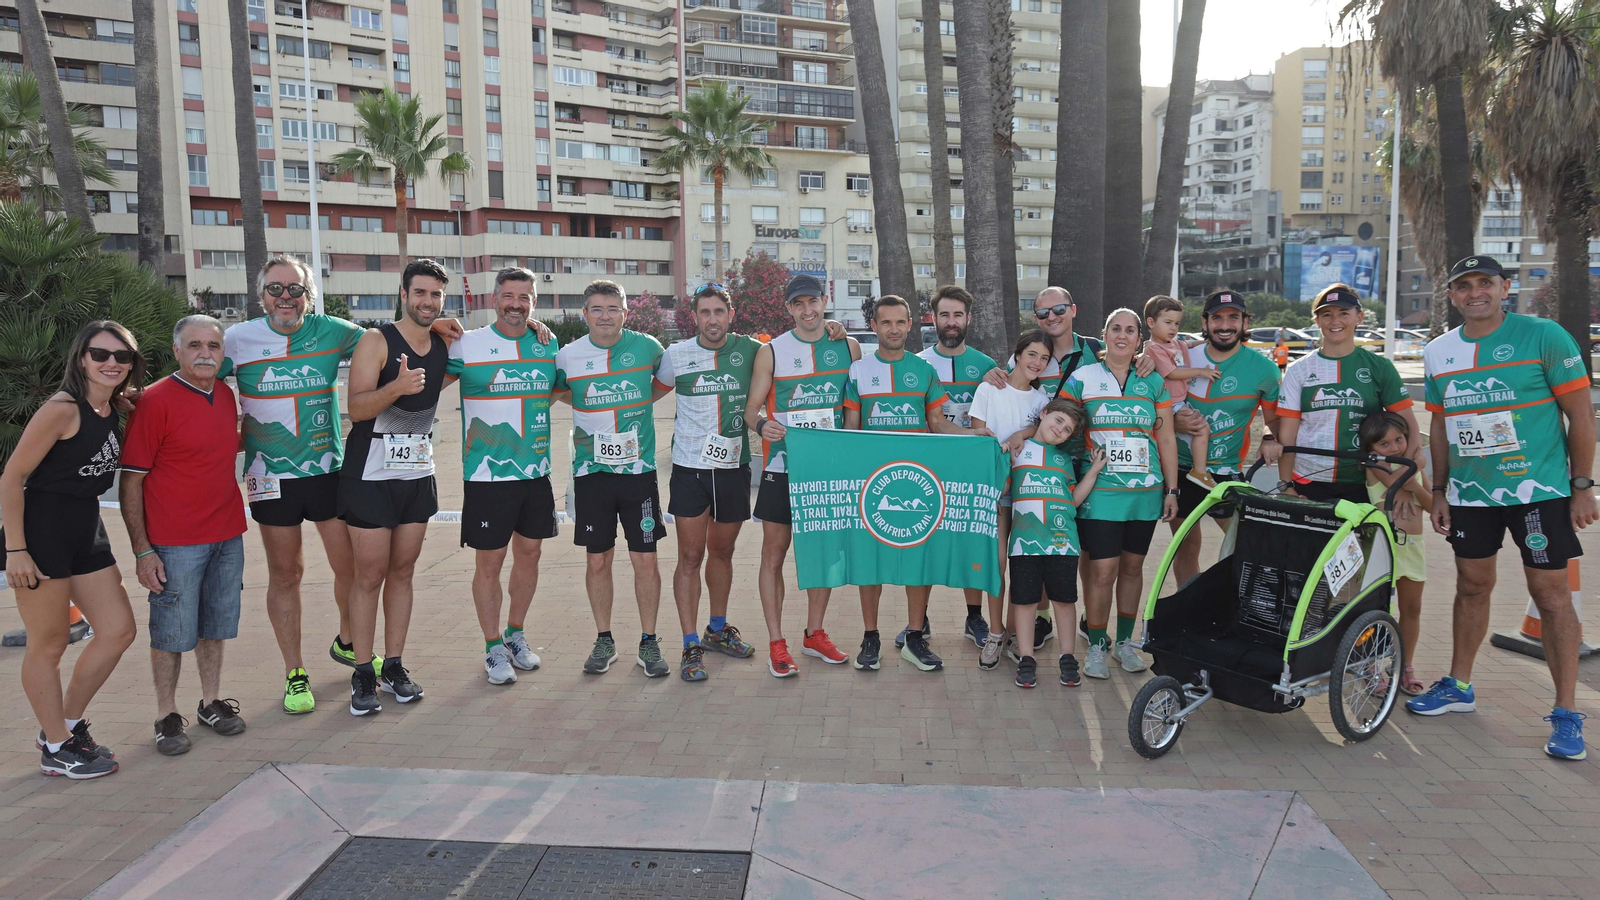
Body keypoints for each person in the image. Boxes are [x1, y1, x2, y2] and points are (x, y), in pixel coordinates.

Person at [222, 254, 476, 713]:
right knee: (286, 574)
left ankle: (349, 644)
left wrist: (436, 325)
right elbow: (198, 375)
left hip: (329, 467)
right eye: (275, 289)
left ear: (308, 295)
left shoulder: (336, 331)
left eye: (295, 289)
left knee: (357, 571)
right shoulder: (236, 339)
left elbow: (397, 338)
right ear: (260, 295)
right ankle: (295, 672)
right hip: (271, 473)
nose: (285, 297)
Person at [1412, 255, 1593, 761]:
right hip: (1472, 495)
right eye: (1463, 286)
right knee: (1472, 585)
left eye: (1485, 283)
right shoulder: (1439, 351)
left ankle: (1565, 711)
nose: (1475, 293)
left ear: (1504, 287)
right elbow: (1443, 426)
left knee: (1551, 593)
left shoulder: (1545, 336)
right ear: (1452, 296)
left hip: (1538, 491)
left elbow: (1580, 413)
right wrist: (1441, 489)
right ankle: (1460, 685)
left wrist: (1582, 486)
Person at [2, 323, 141, 779]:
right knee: (49, 643)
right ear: (81, 358)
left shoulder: (110, 406)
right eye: (100, 354)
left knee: (119, 629)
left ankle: (63, 725)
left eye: (121, 356)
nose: (111, 363)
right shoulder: (61, 409)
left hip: (86, 528)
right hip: (41, 533)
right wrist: (16, 549)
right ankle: (56, 749)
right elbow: (11, 477)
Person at [120, 315, 248, 754]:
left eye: (213, 345)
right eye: (195, 345)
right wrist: (142, 551)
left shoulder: (227, 396)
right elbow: (131, 480)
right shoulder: (154, 402)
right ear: (177, 351)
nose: (205, 353)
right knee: (170, 632)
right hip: (174, 543)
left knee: (214, 626)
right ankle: (165, 714)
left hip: (228, 533)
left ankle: (211, 702)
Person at [340, 259, 452, 715]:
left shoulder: (444, 340)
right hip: (369, 474)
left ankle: (395, 666)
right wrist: (397, 387)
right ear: (403, 294)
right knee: (369, 575)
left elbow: (499, 340)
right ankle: (363, 672)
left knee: (403, 573)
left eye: (435, 295)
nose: (427, 302)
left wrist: (537, 326)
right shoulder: (376, 340)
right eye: (420, 293)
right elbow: (357, 409)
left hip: (416, 474)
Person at [841, 295, 975, 673]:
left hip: (918, 482)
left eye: (901, 322)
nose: (894, 329)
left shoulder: (923, 370)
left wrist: (978, 436)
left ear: (911, 325)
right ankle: (870, 638)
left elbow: (940, 425)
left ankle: (915, 638)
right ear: (874, 326)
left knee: (918, 561)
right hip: (872, 485)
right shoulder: (859, 372)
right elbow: (850, 433)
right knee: (869, 562)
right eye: (886, 323)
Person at [554, 280, 672, 679]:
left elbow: (663, 383)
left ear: (626, 312)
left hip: (639, 473)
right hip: (592, 474)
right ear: (584, 314)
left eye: (613, 308)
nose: (606, 316)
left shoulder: (649, 348)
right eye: (597, 309)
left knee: (646, 560)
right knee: (598, 558)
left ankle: (649, 641)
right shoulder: (568, 356)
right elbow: (560, 393)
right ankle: (604, 638)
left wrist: (635, 401)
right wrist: (588, 402)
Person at [447, 267, 559, 686]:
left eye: (524, 298)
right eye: (508, 296)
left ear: (534, 302)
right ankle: (493, 645)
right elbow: (425, 377)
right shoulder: (466, 344)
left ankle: (515, 634)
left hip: (536, 472)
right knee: (489, 564)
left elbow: (564, 389)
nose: (516, 304)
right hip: (486, 475)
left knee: (530, 555)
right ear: (494, 299)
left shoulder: (547, 345)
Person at [746, 273, 861, 677]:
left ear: (825, 301)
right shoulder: (772, 352)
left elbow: (857, 406)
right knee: (773, 556)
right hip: (783, 467)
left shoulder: (848, 346)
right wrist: (762, 427)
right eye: (799, 304)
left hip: (828, 471)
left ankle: (814, 633)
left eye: (814, 302)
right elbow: (751, 411)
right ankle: (776, 642)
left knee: (822, 555)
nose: (808, 310)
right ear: (789, 309)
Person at [1061, 308, 1180, 680]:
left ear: (1139, 339)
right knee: (1102, 571)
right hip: (1101, 493)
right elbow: (1062, 428)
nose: (1122, 336)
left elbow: (1165, 437)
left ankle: (1126, 642)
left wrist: (1172, 488)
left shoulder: (1153, 381)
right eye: (1116, 329)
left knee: (1132, 568)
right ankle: (1097, 644)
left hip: (1145, 492)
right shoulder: (1082, 379)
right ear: (1104, 334)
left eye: (1130, 330)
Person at [654, 283, 762, 682]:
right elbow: (646, 393)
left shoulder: (753, 350)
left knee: (723, 553)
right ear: (694, 317)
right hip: (689, 470)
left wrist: (836, 328)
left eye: (719, 311)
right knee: (690, 557)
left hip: (734, 468)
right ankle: (689, 644)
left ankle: (717, 629)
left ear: (730, 315)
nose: (712, 319)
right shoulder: (676, 355)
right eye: (705, 312)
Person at [1168, 290, 1283, 585]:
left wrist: (1269, 438)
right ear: (1205, 323)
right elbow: (1153, 408)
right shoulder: (1182, 357)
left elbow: (1273, 420)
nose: (1225, 325)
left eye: (1233, 317)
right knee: (1185, 548)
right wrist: (1171, 421)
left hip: (1226, 472)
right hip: (1183, 471)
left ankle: (1238, 613)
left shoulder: (1265, 370)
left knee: (1245, 546)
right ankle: (1188, 609)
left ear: (1245, 323)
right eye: (1216, 318)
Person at [1276, 284, 1418, 505]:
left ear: (1359, 317)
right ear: (1317, 321)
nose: (1335, 321)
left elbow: (1410, 426)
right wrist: (1285, 485)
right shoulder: (1298, 370)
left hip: (1366, 479)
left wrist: (1403, 480)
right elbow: (1287, 435)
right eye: (1327, 315)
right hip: (1309, 479)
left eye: (1344, 313)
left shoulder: (1380, 366)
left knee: (1365, 541)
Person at [915, 285, 1000, 650]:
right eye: (944, 315)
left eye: (958, 315)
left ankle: (974, 616)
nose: (951, 322)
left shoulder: (987, 366)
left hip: (968, 473)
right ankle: (919, 621)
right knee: (924, 543)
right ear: (933, 319)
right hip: (928, 469)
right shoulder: (917, 363)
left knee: (971, 542)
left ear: (969, 318)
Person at [968, 330, 1051, 669]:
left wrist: (1024, 432)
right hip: (994, 490)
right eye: (1032, 354)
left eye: (1044, 358)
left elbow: (1046, 431)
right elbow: (979, 437)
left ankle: (1019, 633)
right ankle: (995, 633)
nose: (1037, 363)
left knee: (1024, 566)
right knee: (996, 564)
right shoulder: (989, 389)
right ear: (1017, 355)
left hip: (1027, 492)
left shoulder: (1041, 399)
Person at [1009, 398, 1105, 688]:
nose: (1060, 430)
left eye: (1067, 430)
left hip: (1063, 542)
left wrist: (1093, 472)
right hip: (1024, 543)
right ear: (1044, 414)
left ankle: (1067, 657)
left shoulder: (1064, 460)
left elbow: (1072, 501)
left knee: (1064, 600)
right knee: (1025, 601)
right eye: (1058, 421)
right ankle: (1027, 658)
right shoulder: (1016, 450)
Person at [1359, 411, 1429, 696]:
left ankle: (1404, 665)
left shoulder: (1410, 468)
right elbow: (1394, 482)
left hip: (1412, 546)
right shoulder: (1374, 464)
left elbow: (1431, 502)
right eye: (1384, 444)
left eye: (1399, 440)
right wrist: (1417, 463)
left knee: (1412, 609)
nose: (1394, 448)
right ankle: (1370, 664)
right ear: (1371, 449)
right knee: (1377, 610)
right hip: (1381, 546)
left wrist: (1413, 479)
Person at [1143, 295, 1214, 486]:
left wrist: (1209, 342)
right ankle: (1199, 471)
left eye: (1177, 323)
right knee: (1202, 428)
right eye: (1168, 323)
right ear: (1151, 322)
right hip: (1169, 402)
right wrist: (1201, 371)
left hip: (1179, 400)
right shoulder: (1153, 348)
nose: (1174, 328)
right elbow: (1172, 372)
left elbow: (1190, 345)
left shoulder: (1175, 343)